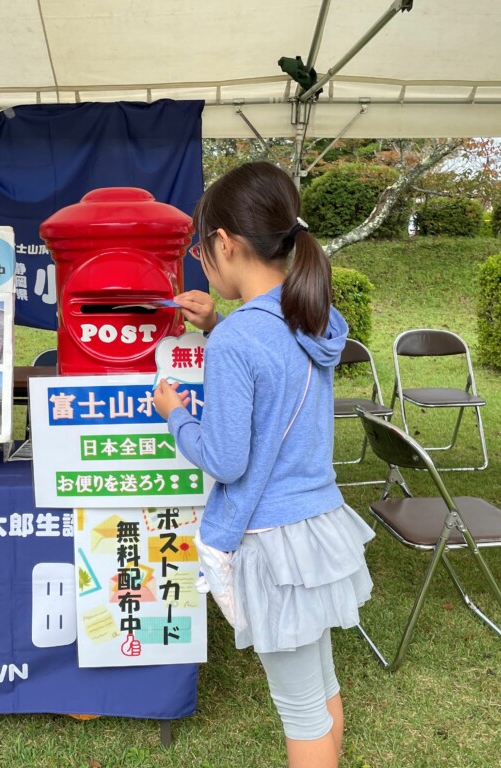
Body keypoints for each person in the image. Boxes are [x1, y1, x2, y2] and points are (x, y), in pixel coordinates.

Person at [153, 161, 374, 768]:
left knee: (301, 709)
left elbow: (226, 460)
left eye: (202, 250)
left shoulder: (239, 341)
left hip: (274, 544)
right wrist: (218, 325)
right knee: (320, 689)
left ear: (225, 244)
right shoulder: (311, 317)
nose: (203, 261)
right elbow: (276, 375)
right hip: (318, 531)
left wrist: (175, 413)